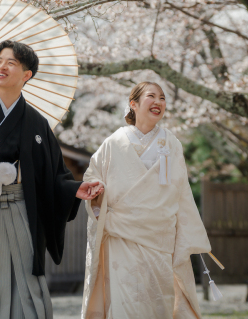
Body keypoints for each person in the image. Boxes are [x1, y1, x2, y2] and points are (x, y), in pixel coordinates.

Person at [0, 40, 103, 319]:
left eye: (11, 63)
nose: (1, 67)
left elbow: (54, 173)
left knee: (28, 288)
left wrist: (74, 189)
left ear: (26, 74)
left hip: (21, 212)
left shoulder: (36, 122)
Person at [81, 82, 215, 319]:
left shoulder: (171, 143)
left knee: (157, 304)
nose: (158, 102)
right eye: (151, 96)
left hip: (159, 237)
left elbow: (182, 193)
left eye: (162, 98)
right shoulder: (114, 142)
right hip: (121, 235)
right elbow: (92, 176)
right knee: (125, 305)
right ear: (133, 104)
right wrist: (97, 192)